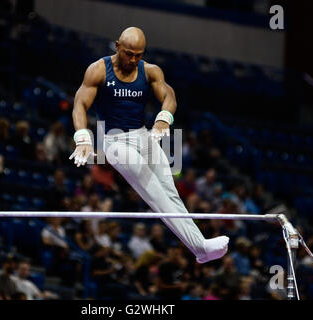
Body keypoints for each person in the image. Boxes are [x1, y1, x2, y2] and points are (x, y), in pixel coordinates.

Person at [69, 26, 229, 264]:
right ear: (117, 46)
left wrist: (164, 119)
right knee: (152, 187)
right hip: (113, 141)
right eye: (128, 53)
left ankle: (200, 250)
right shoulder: (98, 70)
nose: (133, 59)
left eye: (138, 55)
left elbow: (169, 97)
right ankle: (200, 245)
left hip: (144, 136)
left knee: (170, 192)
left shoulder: (151, 71)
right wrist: (82, 138)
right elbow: (80, 104)